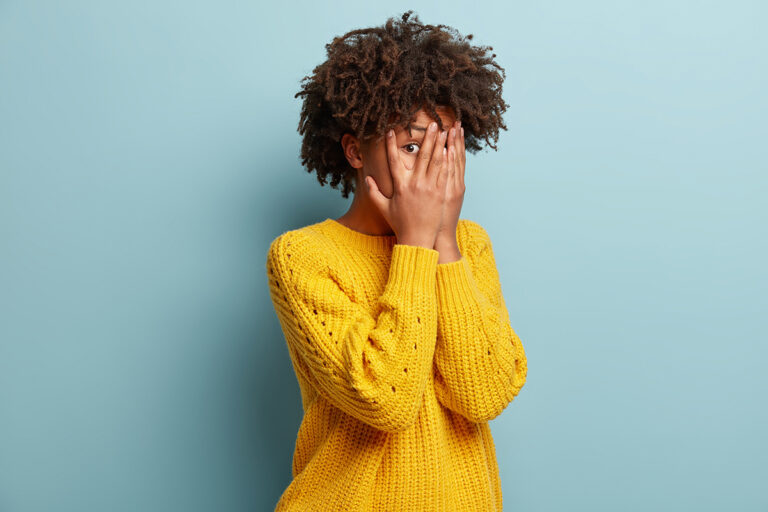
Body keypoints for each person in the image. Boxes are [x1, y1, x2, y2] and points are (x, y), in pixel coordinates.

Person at [265, 10, 527, 511]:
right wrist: (413, 245)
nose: (432, 166)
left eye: (446, 145)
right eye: (411, 145)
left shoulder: (470, 246)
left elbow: (485, 393)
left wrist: (443, 244)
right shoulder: (302, 256)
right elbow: (387, 399)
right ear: (355, 151)